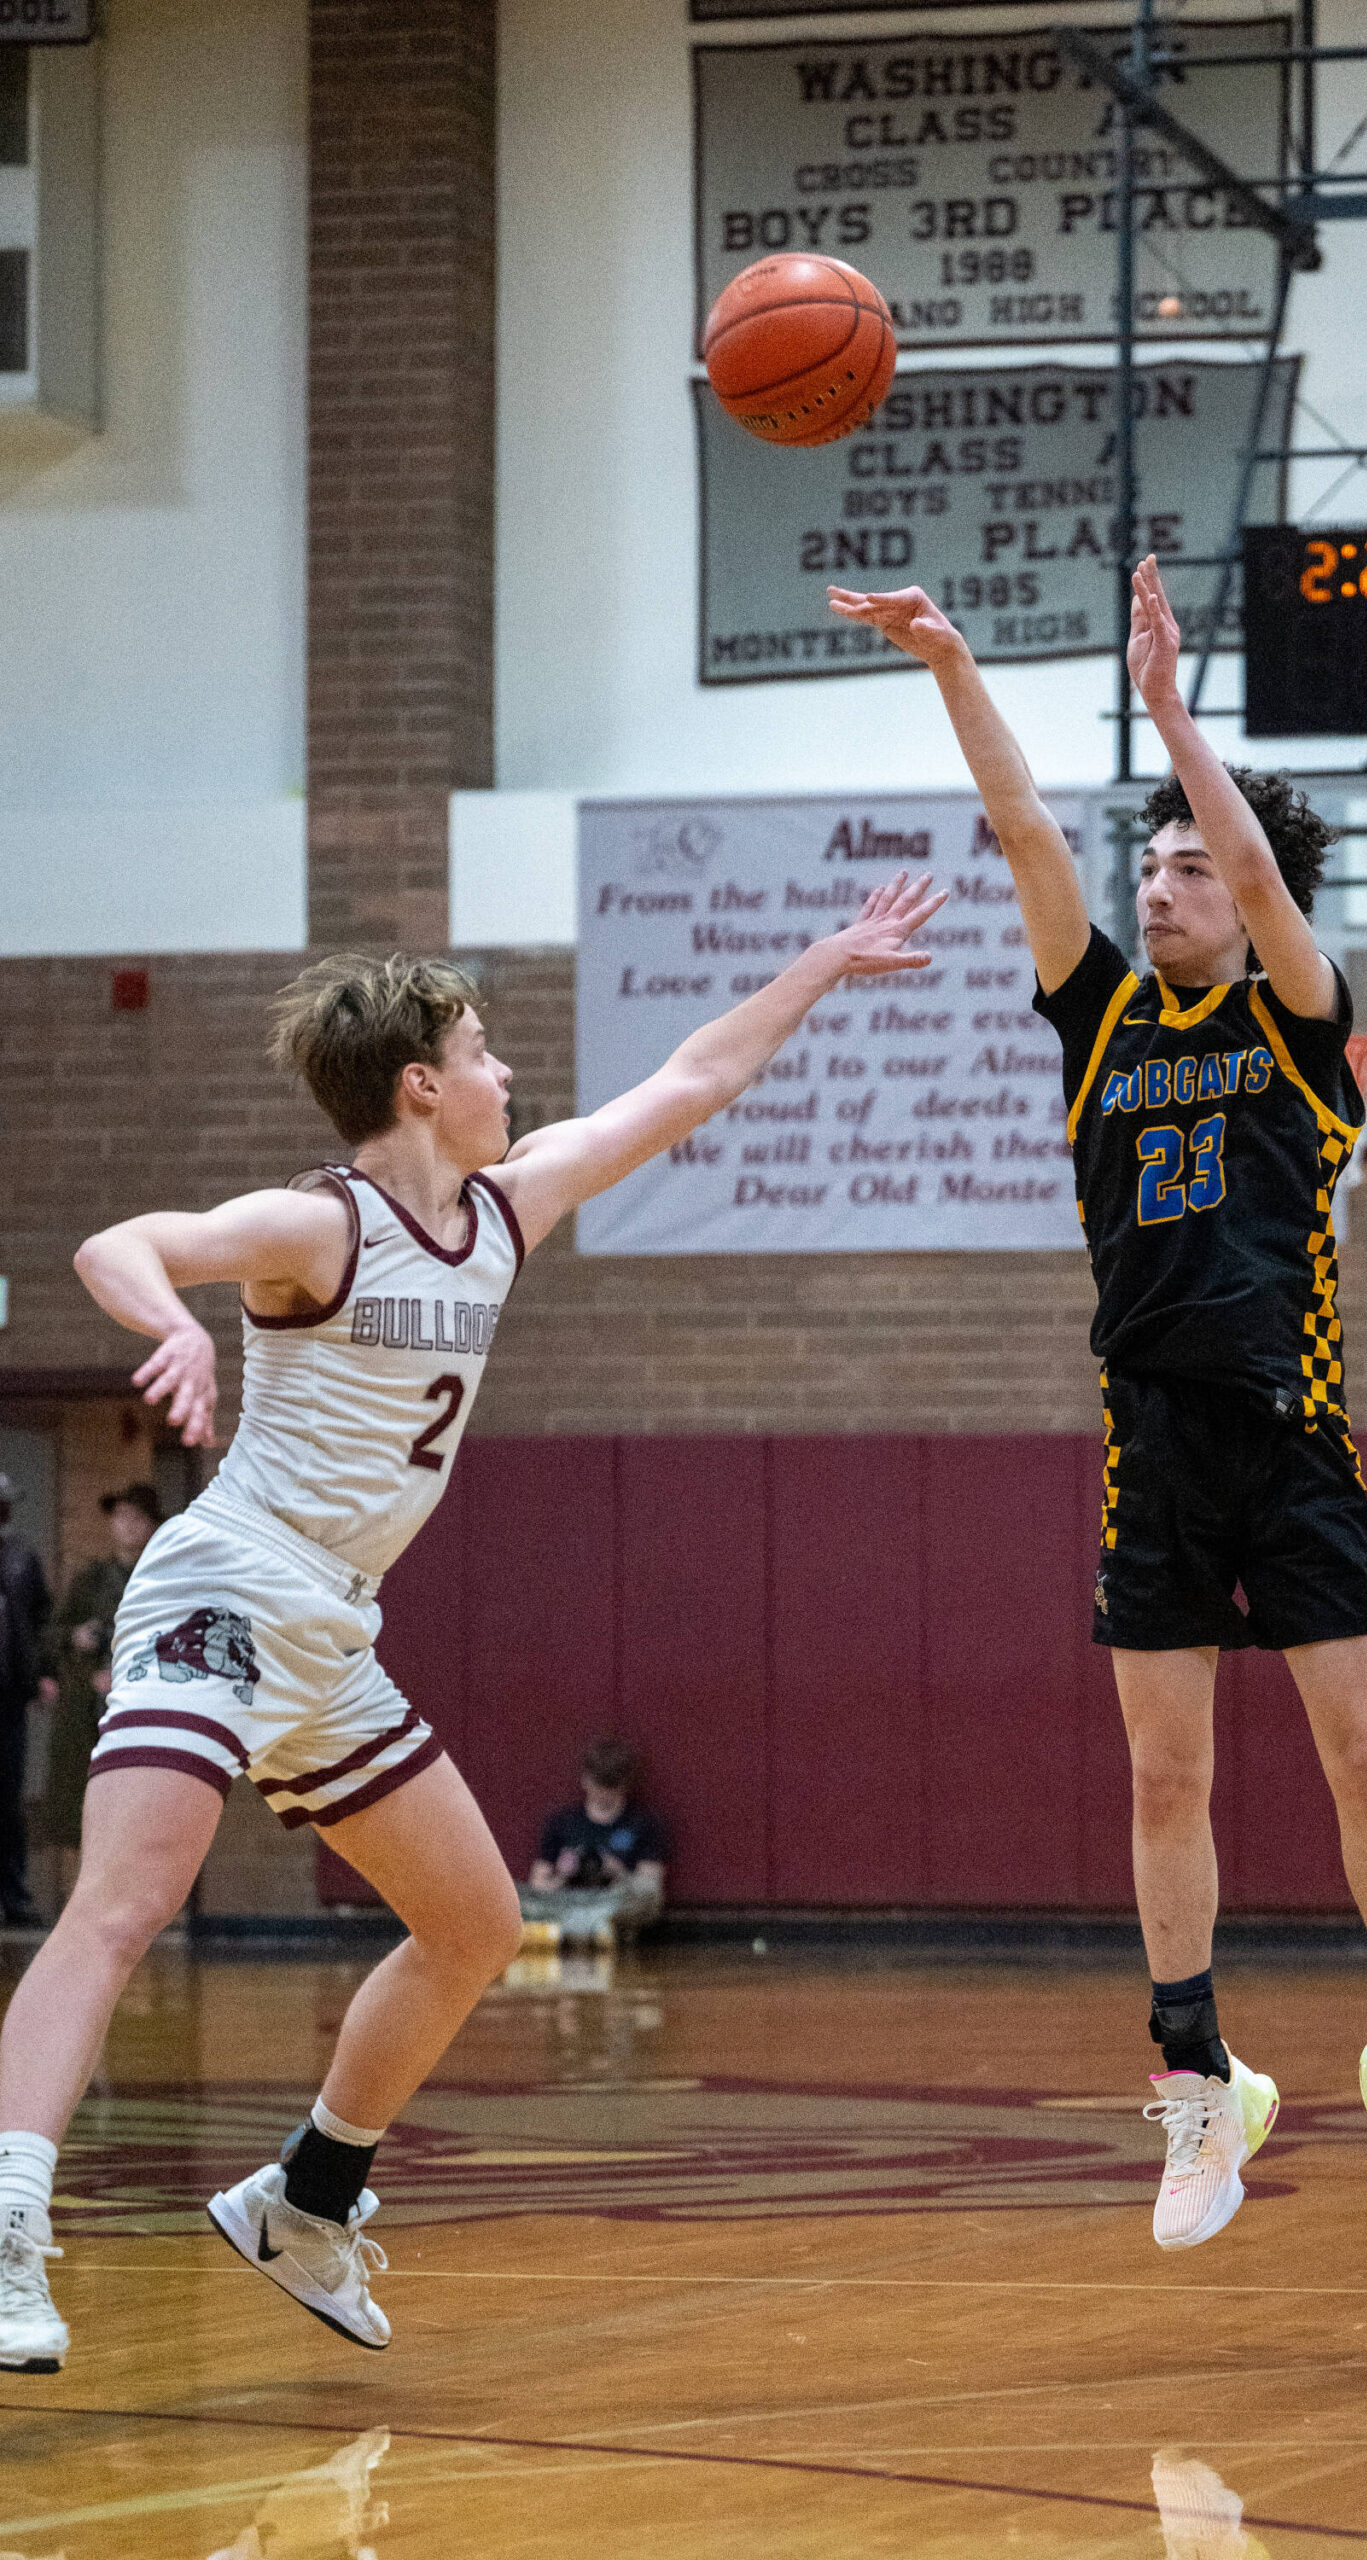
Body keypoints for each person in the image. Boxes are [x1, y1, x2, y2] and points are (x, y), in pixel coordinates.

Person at [0, 869, 945, 2373]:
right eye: (489, 1052)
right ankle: (10, 2222)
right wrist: (174, 1324)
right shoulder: (321, 1227)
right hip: (230, 1584)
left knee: (476, 1921)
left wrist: (821, 964)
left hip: (331, 1634)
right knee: (127, 1902)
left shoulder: (509, 1207)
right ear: (424, 1085)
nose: (514, 1075)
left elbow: (694, 1077)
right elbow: (125, 1241)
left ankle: (308, 2198)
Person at [828, 560, 1367, 2249]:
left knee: (1366, 1770)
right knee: (1163, 1786)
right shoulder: (1102, 1017)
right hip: (1155, 1448)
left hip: (1296, 1440)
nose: (1164, 884)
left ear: (1249, 900)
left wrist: (1176, 716)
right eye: (1158, 863)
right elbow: (1025, 821)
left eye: (1191, 865)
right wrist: (952, 660)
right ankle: (1197, 2090)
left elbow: (1249, 854)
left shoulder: (1302, 1027)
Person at [39, 1482, 162, 1911]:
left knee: (137, 1810)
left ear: (151, 1526)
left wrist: (128, 1674)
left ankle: (133, 1904)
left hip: (144, 1711)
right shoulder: (90, 1579)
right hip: (86, 1711)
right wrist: (77, 1638)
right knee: (78, 1807)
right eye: (120, 1516)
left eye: (136, 1517)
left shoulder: (162, 1578)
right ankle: (80, 1905)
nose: (126, 1525)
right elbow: (51, 1636)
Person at [526, 1737, 668, 1947]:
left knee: (648, 1898)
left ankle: (579, 1929)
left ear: (625, 1784)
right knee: (518, 1898)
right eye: (599, 1785)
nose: (604, 1794)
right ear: (585, 1780)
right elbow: (537, 1883)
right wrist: (564, 1876)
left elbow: (650, 1885)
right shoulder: (562, 1821)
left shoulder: (644, 1823)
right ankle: (591, 1929)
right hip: (568, 1899)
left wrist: (617, 1872)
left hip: (614, 1900)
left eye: (612, 1786)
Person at [0, 1472, 53, 1929]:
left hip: (10, 1698)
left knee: (9, 1799)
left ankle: (14, 1896)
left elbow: (41, 1622)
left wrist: (44, 1675)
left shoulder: (22, 1559)